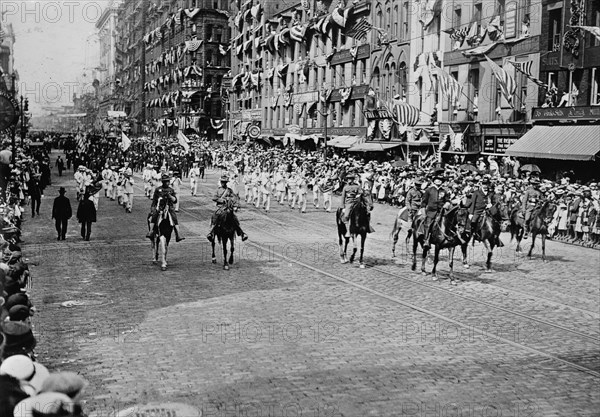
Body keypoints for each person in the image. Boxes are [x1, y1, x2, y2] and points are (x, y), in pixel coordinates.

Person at [206, 175, 248, 243]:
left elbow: (234, 197)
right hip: (220, 207)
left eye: (225, 182)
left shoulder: (229, 190)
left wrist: (233, 202)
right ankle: (211, 233)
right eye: (222, 182)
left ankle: (241, 233)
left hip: (228, 207)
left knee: (234, 218)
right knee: (215, 217)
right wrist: (222, 200)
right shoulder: (218, 190)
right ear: (220, 182)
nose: (223, 183)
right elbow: (214, 198)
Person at [146, 173, 185, 242]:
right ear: (163, 182)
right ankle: (151, 231)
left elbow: (175, 200)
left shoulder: (171, 190)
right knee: (154, 216)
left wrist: (170, 197)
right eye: (166, 181)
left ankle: (178, 234)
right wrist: (153, 208)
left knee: (174, 218)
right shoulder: (158, 190)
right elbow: (154, 200)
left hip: (169, 208)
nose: (167, 183)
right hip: (160, 207)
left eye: (168, 181)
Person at [340, 173, 374, 237]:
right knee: (346, 215)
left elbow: (361, 193)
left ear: (353, 180)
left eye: (351, 179)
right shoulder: (345, 187)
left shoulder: (357, 186)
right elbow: (343, 197)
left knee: (367, 212)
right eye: (348, 179)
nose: (349, 180)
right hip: (349, 202)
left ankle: (367, 226)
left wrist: (358, 195)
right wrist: (342, 206)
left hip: (356, 201)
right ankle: (348, 231)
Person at [420, 174, 448, 249]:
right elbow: (424, 202)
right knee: (428, 224)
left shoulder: (444, 191)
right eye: (437, 179)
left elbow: (447, 200)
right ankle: (426, 240)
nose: (439, 181)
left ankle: (446, 239)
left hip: (441, 212)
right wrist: (423, 212)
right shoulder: (429, 190)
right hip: (431, 212)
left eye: (440, 180)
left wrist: (447, 204)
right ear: (434, 181)